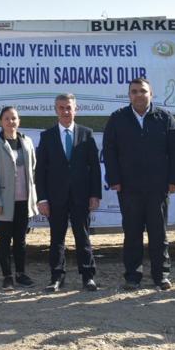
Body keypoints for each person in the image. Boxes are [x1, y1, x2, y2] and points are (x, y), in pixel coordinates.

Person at [103, 77, 175, 291]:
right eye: (134, 91)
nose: (139, 95)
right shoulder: (118, 118)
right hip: (128, 188)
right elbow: (109, 151)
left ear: (151, 94)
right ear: (129, 95)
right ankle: (132, 277)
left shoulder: (164, 117)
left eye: (143, 91)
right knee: (132, 234)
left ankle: (161, 276)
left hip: (158, 187)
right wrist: (114, 179)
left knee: (159, 233)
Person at [36, 93, 102, 292]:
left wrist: (95, 194)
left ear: (76, 109)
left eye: (69, 107)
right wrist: (42, 199)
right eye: (61, 108)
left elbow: (95, 167)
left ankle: (88, 277)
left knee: (83, 237)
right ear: (56, 110)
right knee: (57, 239)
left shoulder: (86, 134)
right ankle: (56, 278)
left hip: (81, 196)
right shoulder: (47, 136)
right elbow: (40, 171)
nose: (65, 111)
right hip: (56, 197)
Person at [0, 107, 39, 290]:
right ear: (1, 122)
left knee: (20, 240)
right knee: (4, 240)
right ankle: (7, 276)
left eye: (14, 118)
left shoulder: (27, 142)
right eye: (7, 119)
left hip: (24, 200)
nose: (11, 122)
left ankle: (21, 274)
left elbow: (33, 169)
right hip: (4, 202)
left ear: (19, 121)